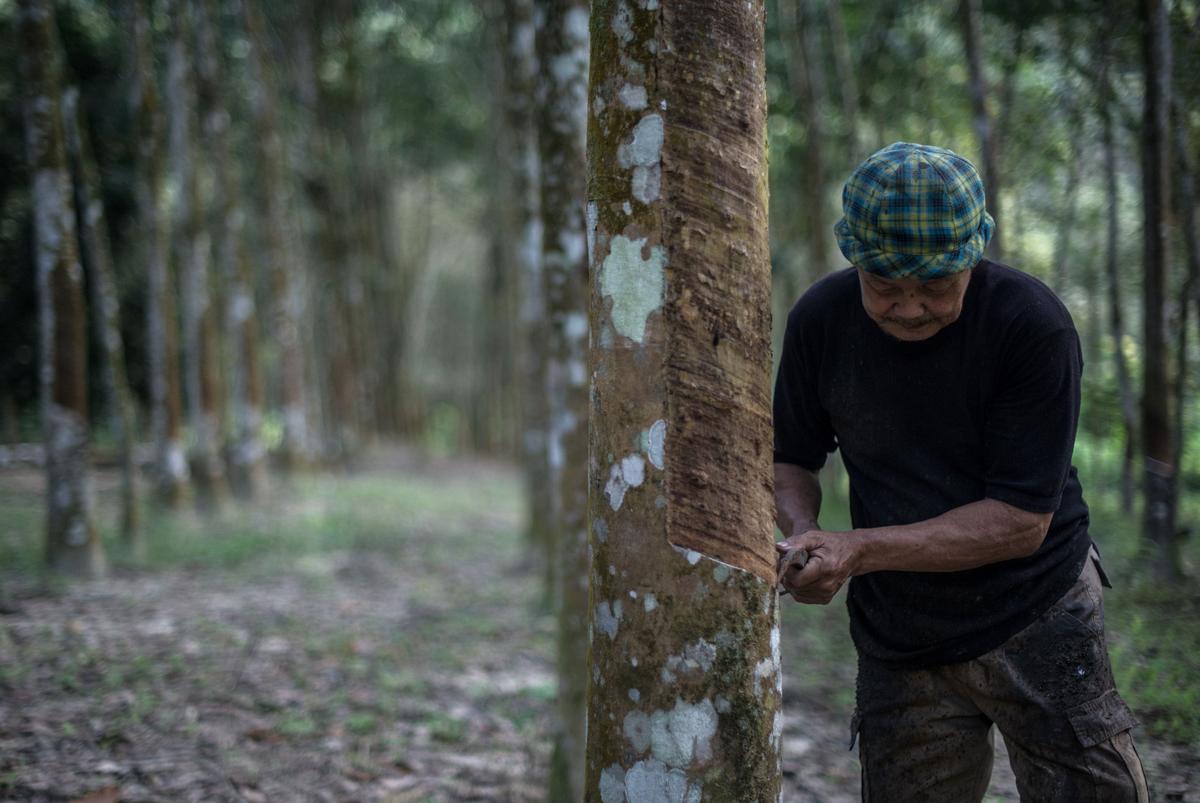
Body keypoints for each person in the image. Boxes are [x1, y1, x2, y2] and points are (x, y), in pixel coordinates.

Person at [773, 142, 1149, 802]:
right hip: (901, 631)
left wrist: (855, 549)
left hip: (1037, 605)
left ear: (973, 256)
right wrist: (801, 530)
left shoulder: (1032, 326)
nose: (911, 307)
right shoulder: (820, 320)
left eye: (936, 286)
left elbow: (1020, 521)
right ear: (854, 258)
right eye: (886, 285)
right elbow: (791, 456)